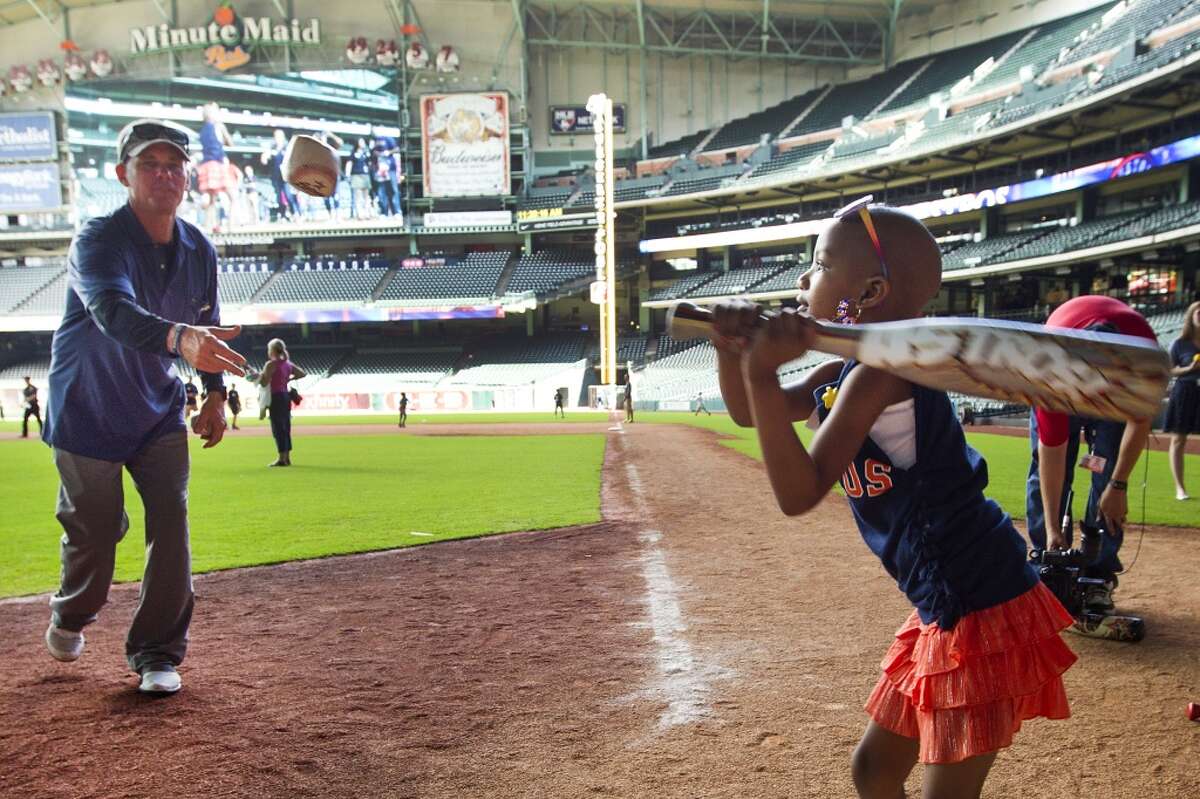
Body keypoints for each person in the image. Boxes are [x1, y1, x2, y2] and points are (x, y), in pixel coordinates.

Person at [710, 199, 1075, 798]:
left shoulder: (884, 375)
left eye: (820, 264)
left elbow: (799, 492)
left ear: (871, 292)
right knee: (874, 772)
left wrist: (758, 372)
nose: (804, 278)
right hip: (947, 597)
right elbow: (752, 414)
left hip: (980, 601)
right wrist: (734, 355)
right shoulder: (848, 370)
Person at [41, 118, 247, 696]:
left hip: (156, 408)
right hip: (86, 407)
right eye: (148, 164)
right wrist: (181, 340)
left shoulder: (197, 247)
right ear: (122, 174)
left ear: (188, 177)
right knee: (95, 532)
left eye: (173, 165)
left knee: (172, 522)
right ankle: (73, 612)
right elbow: (110, 311)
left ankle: (157, 652)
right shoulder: (97, 240)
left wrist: (211, 395)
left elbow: (209, 328)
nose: (164, 174)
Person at [1025, 295, 1158, 613]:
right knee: (1041, 474)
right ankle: (1049, 561)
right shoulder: (1051, 379)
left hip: (1115, 388)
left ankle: (1098, 574)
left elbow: (1138, 424)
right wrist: (1054, 529)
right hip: (1059, 373)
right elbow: (1051, 457)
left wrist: (1119, 485)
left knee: (1107, 467)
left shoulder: (1142, 363)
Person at [1165, 301, 1200, 500]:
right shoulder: (1179, 343)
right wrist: (1188, 369)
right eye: (1198, 313)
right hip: (1185, 390)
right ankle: (1180, 488)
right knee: (1179, 439)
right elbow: (1169, 370)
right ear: (1191, 316)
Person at [255, 338, 305, 466]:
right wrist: (288, 380)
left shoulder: (270, 365)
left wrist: (257, 377)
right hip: (285, 397)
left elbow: (265, 382)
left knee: (277, 428)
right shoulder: (288, 364)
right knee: (286, 427)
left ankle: (281, 458)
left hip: (275, 397)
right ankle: (287, 457)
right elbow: (302, 373)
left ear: (271, 350)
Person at [197, 102, 233, 233]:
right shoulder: (218, 126)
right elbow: (230, 143)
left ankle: (210, 227)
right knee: (232, 197)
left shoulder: (203, 130)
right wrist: (223, 130)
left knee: (211, 199)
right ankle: (230, 228)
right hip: (217, 163)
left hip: (206, 164)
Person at [261, 129, 299, 222]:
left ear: (282, 137)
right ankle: (282, 215)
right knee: (279, 197)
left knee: (288, 195)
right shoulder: (272, 148)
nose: (277, 138)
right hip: (276, 176)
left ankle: (295, 214)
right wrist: (265, 156)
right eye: (275, 136)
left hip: (286, 177)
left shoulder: (287, 147)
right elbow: (264, 160)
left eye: (278, 136)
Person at [345, 138, 373, 220]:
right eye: (361, 141)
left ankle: (367, 213)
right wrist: (348, 174)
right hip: (356, 175)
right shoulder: (353, 153)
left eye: (363, 141)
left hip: (365, 175)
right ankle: (360, 214)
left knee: (366, 196)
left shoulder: (366, 153)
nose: (363, 143)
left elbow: (370, 163)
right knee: (358, 196)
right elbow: (349, 163)